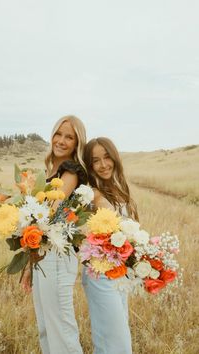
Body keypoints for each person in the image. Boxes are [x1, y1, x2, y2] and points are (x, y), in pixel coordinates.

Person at [21, 115, 87, 354]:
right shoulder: (51, 169)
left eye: (69, 137)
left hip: (58, 255)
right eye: (58, 134)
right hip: (43, 254)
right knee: (46, 327)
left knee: (61, 330)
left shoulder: (70, 171)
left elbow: (51, 213)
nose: (61, 140)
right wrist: (29, 264)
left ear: (77, 142)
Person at [82, 137, 139, 354]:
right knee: (115, 343)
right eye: (96, 161)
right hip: (100, 275)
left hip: (118, 273)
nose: (103, 165)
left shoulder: (117, 189)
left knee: (115, 340)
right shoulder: (93, 194)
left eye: (107, 157)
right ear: (89, 166)